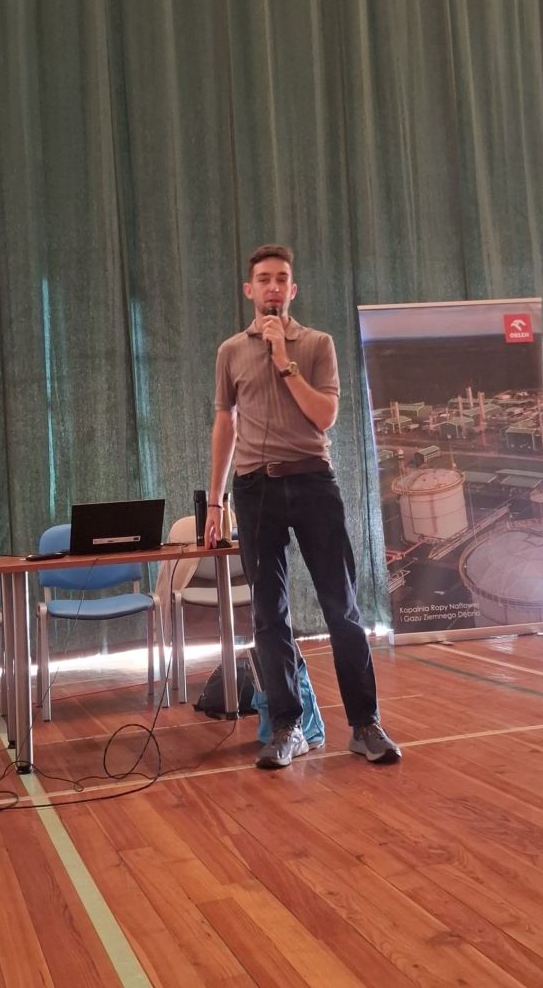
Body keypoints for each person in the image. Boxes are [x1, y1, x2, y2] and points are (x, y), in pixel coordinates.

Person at [205, 244, 401, 769]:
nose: (272, 287)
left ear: (292, 290)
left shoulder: (317, 344)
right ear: (249, 290)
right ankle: (287, 727)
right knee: (269, 615)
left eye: (281, 279)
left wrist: (284, 362)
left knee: (342, 607)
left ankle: (365, 724)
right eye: (263, 279)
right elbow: (225, 422)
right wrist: (215, 500)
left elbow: (325, 416)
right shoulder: (229, 352)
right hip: (255, 489)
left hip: (313, 483)